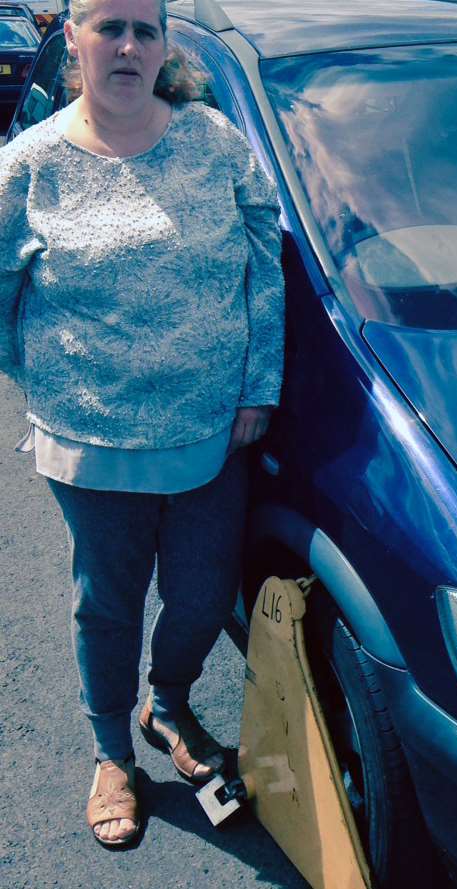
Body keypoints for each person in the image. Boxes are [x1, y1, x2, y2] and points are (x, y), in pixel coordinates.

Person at [0, 0, 284, 848]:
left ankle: (171, 703)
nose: (127, 45)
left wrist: (256, 383)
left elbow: (263, 258)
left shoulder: (212, 140)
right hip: (92, 442)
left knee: (201, 593)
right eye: (107, 26)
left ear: (164, 46)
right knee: (109, 602)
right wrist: (42, 379)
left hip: (209, 430)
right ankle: (110, 750)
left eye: (145, 29)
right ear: (73, 40)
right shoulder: (31, 163)